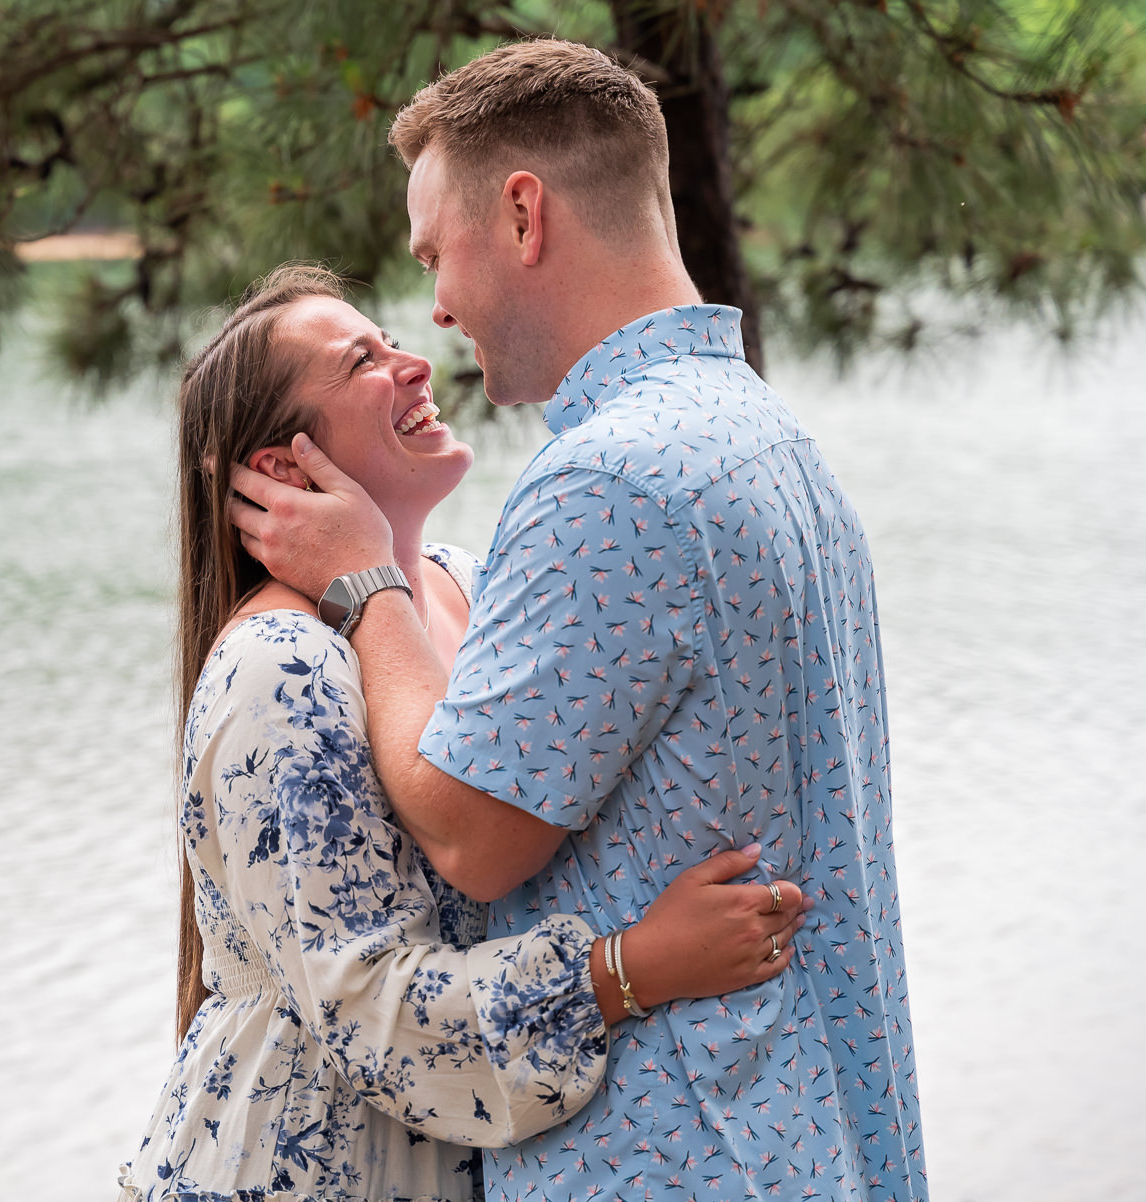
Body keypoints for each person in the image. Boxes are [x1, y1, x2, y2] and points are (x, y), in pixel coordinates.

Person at [227, 39, 926, 1202]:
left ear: (521, 214)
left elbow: (470, 832)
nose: (438, 307)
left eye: (436, 253)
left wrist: (363, 582)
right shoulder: (768, 438)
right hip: (819, 1130)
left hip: (684, 1157)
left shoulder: (610, 479)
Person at [120, 263, 814, 1202]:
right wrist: (633, 967)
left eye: (393, 338)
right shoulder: (279, 670)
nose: (415, 362)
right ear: (283, 470)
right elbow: (372, 1012)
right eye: (361, 359)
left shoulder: (469, 584)